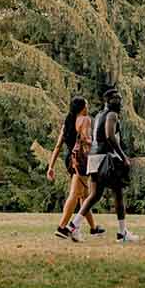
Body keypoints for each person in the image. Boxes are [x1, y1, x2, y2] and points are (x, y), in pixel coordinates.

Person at [64, 87, 138, 243]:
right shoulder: (112, 115)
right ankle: (122, 233)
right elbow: (110, 136)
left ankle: (72, 226)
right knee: (118, 193)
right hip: (106, 158)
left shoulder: (98, 115)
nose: (118, 101)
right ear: (108, 101)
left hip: (93, 158)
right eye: (115, 99)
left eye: (119, 98)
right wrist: (123, 156)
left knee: (94, 195)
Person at [47, 95, 105, 239]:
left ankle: (93, 228)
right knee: (75, 194)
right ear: (82, 107)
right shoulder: (85, 120)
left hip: (70, 160)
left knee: (84, 195)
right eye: (87, 104)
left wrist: (51, 166)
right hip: (80, 160)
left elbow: (58, 146)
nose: (88, 107)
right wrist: (96, 143)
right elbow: (86, 140)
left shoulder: (67, 123)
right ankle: (62, 227)